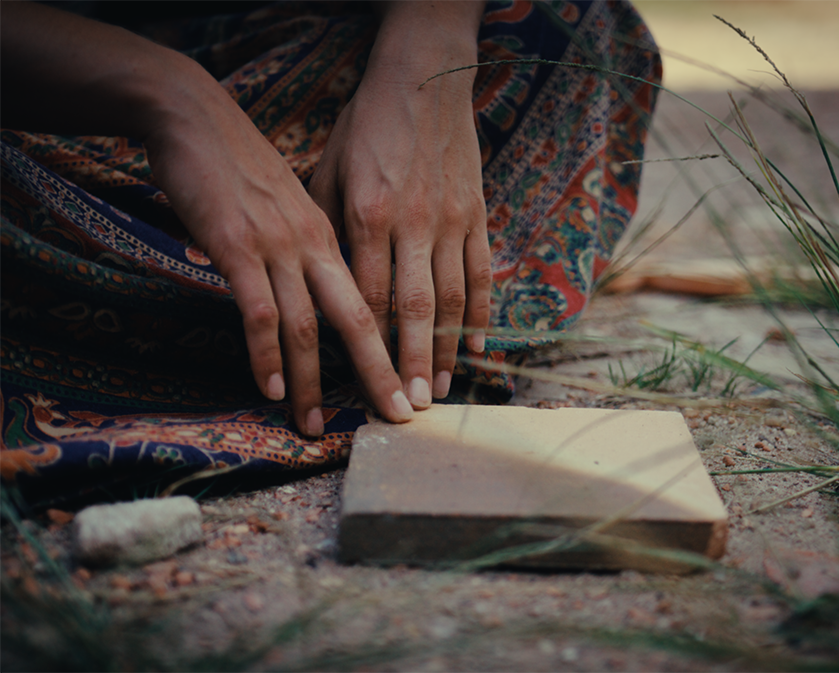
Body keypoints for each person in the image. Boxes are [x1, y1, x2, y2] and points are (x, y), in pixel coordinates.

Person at [0, 0, 660, 502]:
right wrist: (170, 97)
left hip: (272, 41)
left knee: (570, 29)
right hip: (49, 92)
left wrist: (426, 64)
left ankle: (350, 282)